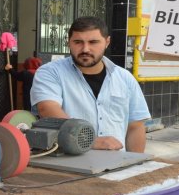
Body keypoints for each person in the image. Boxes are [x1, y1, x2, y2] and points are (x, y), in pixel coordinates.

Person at [30, 16, 150, 153]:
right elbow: (47, 109)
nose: (85, 49)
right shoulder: (50, 72)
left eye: (93, 42)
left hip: (116, 164)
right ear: (68, 42)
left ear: (107, 42)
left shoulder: (124, 78)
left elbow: (135, 126)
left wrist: (134, 164)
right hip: (68, 164)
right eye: (78, 42)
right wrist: (89, 140)